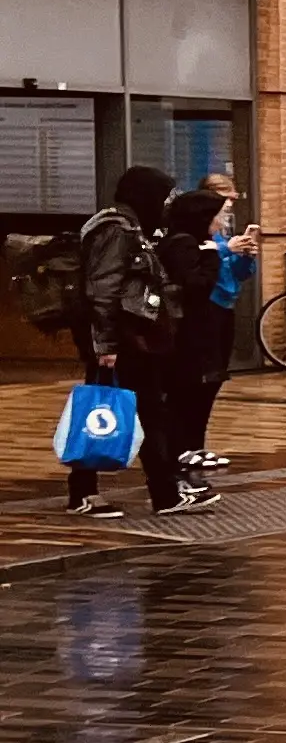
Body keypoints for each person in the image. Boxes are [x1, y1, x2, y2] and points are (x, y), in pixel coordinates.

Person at [65, 167, 195, 516]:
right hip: (120, 342)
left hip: (136, 339)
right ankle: (83, 492)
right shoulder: (115, 229)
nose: (166, 205)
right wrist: (105, 346)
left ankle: (165, 494)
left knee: (150, 412)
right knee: (101, 412)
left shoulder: (133, 228)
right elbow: (102, 290)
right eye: (163, 196)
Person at [154, 188, 255, 493]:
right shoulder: (186, 242)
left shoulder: (211, 240)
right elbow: (197, 282)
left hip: (217, 313)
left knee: (206, 386)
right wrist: (216, 252)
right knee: (183, 395)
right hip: (189, 327)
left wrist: (244, 257)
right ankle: (174, 463)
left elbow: (236, 274)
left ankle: (190, 450)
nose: (225, 219)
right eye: (221, 212)